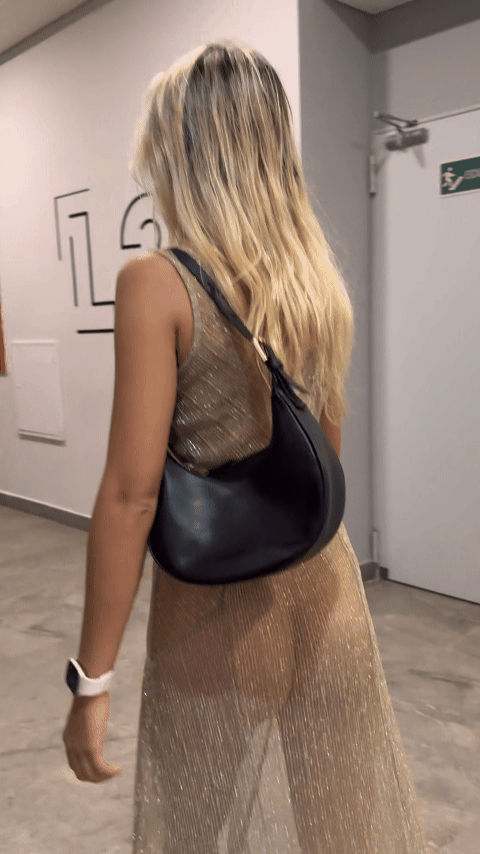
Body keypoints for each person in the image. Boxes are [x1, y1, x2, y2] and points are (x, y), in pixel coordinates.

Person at [63, 41, 427, 853]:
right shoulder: (314, 279)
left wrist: (91, 680)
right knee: (341, 831)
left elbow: (131, 494)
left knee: (192, 833)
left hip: (216, 612)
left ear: (183, 151)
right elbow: (324, 462)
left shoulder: (155, 283)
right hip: (327, 594)